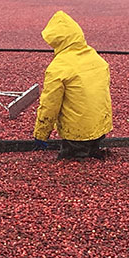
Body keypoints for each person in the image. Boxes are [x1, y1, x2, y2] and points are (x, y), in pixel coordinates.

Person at [33, 10, 113, 160]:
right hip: (100, 126)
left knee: (73, 163)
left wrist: (41, 133)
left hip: (77, 132)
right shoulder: (96, 58)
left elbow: (49, 105)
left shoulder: (58, 68)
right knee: (93, 154)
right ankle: (94, 153)